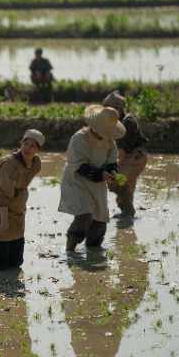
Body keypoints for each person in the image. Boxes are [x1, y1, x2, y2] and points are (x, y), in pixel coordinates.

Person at [59, 105, 126, 251]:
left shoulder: (109, 141)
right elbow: (79, 166)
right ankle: (70, 251)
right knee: (85, 215)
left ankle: (93, 250)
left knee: (100, 219)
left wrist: (113, 173)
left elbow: (112, 161)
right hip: (77, 180)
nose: (104, 133)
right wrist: (102, 174)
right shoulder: (80, 138)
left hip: (97, 180)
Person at [0, 130, 44, 271]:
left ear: (38, 150)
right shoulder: (10, 165)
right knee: (0, 234)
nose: (28, 148)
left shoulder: (36, 162)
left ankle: (13, 276)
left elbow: (24, 181)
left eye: (33, 146)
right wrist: (3, 221)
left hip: (17, 199)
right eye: (25, 144)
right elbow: (3, 195)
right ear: (21, 143)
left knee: (16, 245)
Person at [103, 91, 149, 218]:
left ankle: (128, 210)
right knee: (126, 186)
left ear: (118, 109)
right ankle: (126, 212)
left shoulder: (128, 121)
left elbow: (127, 148)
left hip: (135, 156)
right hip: (125, 157)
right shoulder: (112, 122)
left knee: (113, 180)